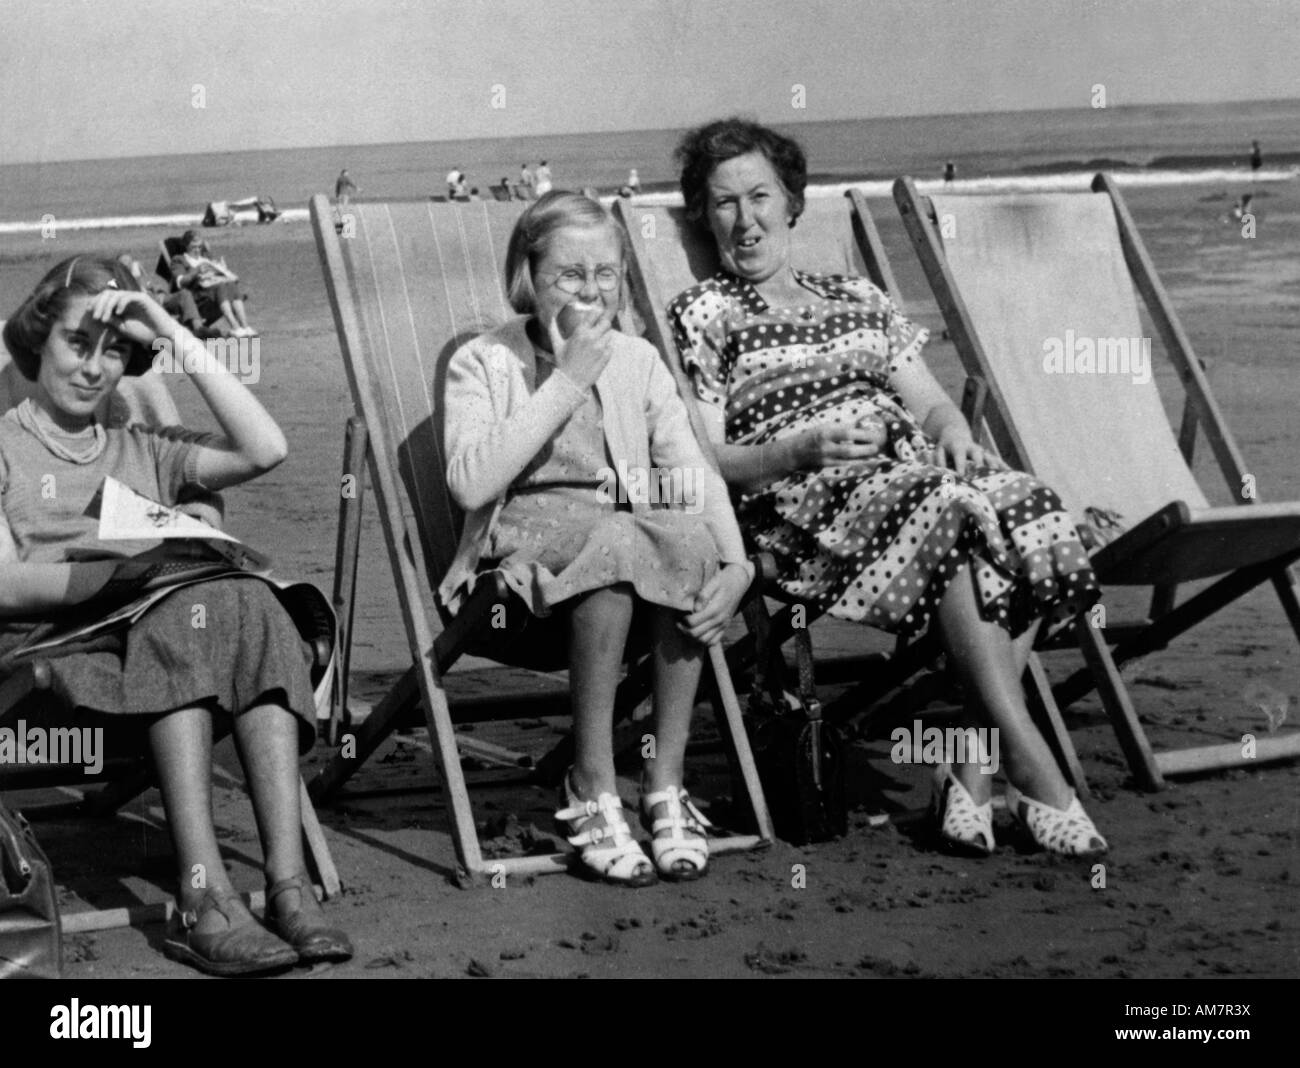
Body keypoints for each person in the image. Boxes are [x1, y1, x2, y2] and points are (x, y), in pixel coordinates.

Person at [667, 118, 1108, 858]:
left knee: (1029, 504)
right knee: (958, 509)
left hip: (914, 477)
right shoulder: (706, 313)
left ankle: (971, 765)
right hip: (806, 504)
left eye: (760, 196)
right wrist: (798, 449)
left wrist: (955, 432)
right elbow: (708, 455)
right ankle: (1033, 771)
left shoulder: (858, 295)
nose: (745, 220)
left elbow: (930, 402)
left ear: (792, 202)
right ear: (705, 218)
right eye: (723, 204)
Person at [0, 256, 353, 974]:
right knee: (187, 607)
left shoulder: (145, 449)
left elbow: (267, 448)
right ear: (38, 340)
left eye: (117, 351)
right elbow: (2, 586)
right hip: (56, 656)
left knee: (249, 598)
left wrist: (168, 330)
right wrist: (116, 575)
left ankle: (287, 885)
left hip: (157, 633)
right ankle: (204, 900)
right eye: (78, 343)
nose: (96, 367)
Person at [439, 192, 754, 885]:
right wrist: (568, 379)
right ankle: (591, 783)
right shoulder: (482, 361)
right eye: (569, 275)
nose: (592, 291)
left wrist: (736, 565)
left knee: (677, 537)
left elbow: (689, 471)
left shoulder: (636, 359)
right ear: (528, 275)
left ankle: (663, 781)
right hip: (516, 568)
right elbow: (470, 484)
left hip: (621, 547)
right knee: (622, 541)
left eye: (606, 274)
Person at [170, 230, 256, 338]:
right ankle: (235, 327)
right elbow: (180, 282)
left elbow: (229, 279)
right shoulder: (179, 260)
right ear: (186, 246)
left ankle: (245, 327)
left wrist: (223, 270)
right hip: (197, 296)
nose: (197, 250)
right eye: (194, 247)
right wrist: (196, 271)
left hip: (213, 290)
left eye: (199, 247)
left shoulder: (206, 259)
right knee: (220, 287)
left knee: (231, 285)